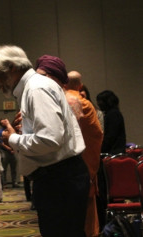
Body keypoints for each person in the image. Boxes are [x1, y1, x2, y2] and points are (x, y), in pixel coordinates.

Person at [0, 45, 90, 237]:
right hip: (59, 179)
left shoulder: (36, 88)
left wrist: (13, 138)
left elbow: (49, 140)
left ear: (13, 67)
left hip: (59, 181)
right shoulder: (33, 88)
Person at [66, 70, 103, 237]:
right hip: (84, 167)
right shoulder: (85, 105)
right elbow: (97, 135)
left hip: (60, 170)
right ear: (80, 85)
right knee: (87, 219)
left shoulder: (57, 101)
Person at [96, 90, 126, 155]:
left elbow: (110, 136)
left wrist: (100, 149)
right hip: (114, 151)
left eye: (100, 101)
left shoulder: (113, 114)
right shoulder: (114, 113)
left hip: (113, 152)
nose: (98, 104)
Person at [0, 118, 18, 188]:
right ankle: (4, 183)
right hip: (5, 152)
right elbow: (2, 143)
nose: (4, 122)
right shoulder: (0, 131)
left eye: (5, 121)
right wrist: (9, 148)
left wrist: (13, 149)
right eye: (3, 122)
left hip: (13, 151)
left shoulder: (11, 129)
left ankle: (14, 182)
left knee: (14, 168)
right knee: (4, 168)